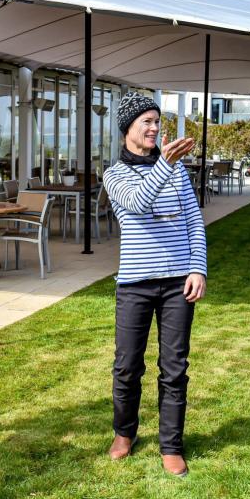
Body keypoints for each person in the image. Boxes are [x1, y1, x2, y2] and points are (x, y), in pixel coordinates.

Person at [102, 92, 207, 477]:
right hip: (135, 285)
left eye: (156, 121)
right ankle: (124, 433)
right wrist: (165, 162)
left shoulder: (175, 169)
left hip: (178, 283)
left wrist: (198, 268)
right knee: (128, 366)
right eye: (146, 121)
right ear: (127, 127)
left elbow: (194, 221)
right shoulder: (115, 174)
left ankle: (171, 444)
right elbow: (136, 204)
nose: (154, 127)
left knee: (174, 367)